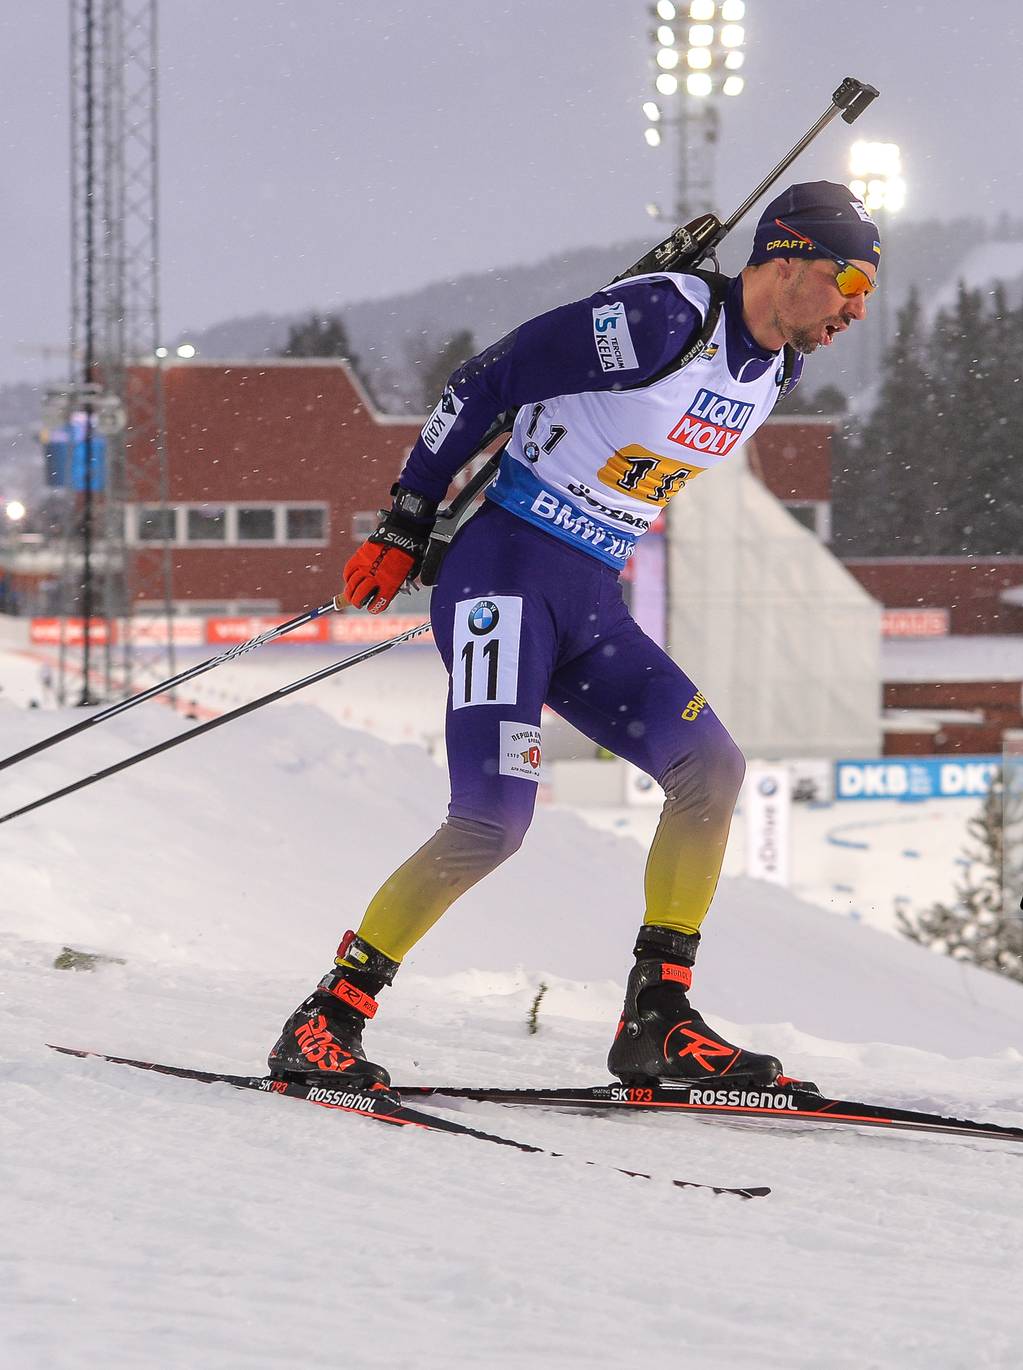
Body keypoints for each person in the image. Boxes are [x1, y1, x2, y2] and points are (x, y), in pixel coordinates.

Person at [267, 182, 878, 1091]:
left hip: (590, 597)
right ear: (785, 261)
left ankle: (656, 1021)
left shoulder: (775, 367)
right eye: (849, 283)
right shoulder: (666, 316)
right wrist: (403, 522)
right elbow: (483, 382)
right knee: (492, 822)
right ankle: (327, 1019)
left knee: (710, 771)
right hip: (503, 579)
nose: (856, 311)